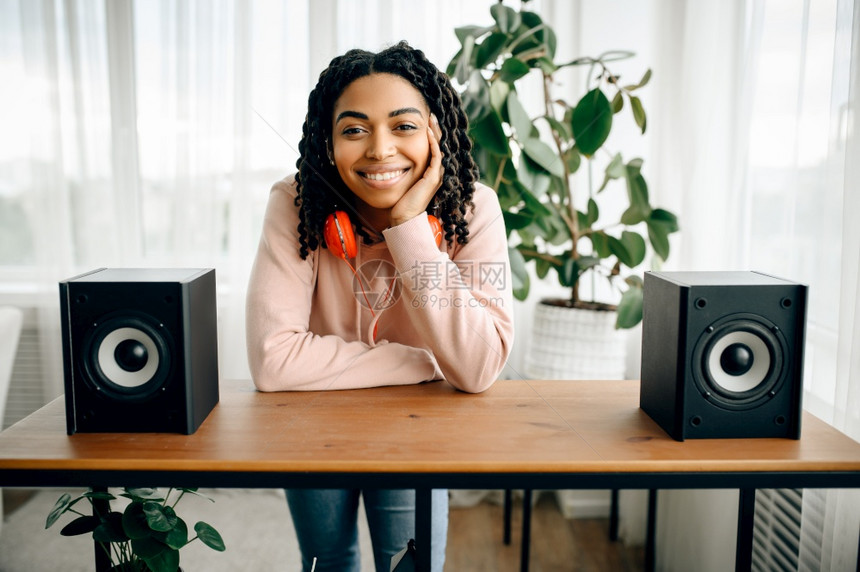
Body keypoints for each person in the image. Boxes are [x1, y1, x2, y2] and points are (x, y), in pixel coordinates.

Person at [245, 41, 514, 572]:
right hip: (313, 425)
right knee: (328, 562)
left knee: (409, 564)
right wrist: (422, 362)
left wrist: (409, 230)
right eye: (354, 129)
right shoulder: (295, 203)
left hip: (418, 430)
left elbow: (481, 365)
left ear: (435, 133)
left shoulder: (473, 209)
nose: (379, 150)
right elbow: (274, 362)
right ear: (329, 140)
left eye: (404, 126)